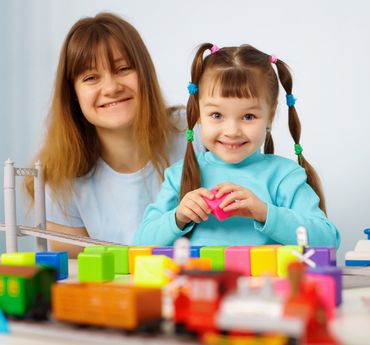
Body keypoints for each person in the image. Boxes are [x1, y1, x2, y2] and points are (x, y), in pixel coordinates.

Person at [24, 13, 202, 257]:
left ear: (145, 74)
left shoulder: (196, 135)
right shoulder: (60, 178)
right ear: (73, 94)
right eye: (90, 77)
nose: (111, 88)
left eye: (123, 69)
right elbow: (75, 276)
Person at [134, 43, 340, 247]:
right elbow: (140, 242)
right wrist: (178, 217)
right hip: (198, 279)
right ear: (197, 112)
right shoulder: (179, 175)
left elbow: (328, 240)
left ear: (270, 114)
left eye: (248, 116)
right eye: (216, 115)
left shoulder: (285, 176)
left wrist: (265, 212)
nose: (232, 131)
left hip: (264, 281)